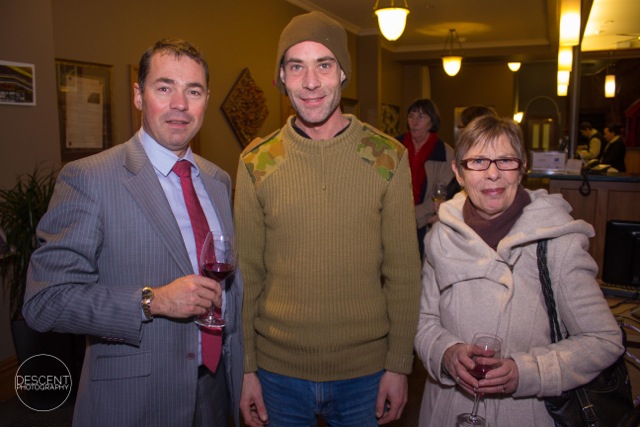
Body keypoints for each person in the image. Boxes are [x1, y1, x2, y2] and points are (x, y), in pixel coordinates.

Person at [22, 39, 244, 426]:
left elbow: (230, 287)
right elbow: (45, 302)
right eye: (164, 88)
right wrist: (153, 301)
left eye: (193, 91)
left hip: (214, 394)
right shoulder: (89, 178)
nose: (180, 103)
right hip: (134, 402)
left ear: (205, 99)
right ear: (139, 96)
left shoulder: (218, 180)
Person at [235, 11, 422, 427]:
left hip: (366, 375)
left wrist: (399, 364)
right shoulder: (256, 162)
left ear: (343, 74)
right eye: (296, 66)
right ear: (281, 77)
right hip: (276, 373)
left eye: (324, 64)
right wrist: (246, 367)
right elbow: (246, 274)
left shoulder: (388, 157)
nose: (311, 82)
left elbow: (404, 272)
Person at [414, 115, 624, 426]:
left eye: (505, 161)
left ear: (522, 167)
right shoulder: (440, 238)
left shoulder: (555, 240)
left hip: (526, 412)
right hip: (448, 410)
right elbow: (424, 321)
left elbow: (603, 339)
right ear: (458, 172)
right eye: (478, 162)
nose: (493, 174)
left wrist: (527, 372)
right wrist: (444, 352)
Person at [395, 99, 455, 259]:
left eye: (421, 117)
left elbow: (443, 192)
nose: (414, 122)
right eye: (411, 116)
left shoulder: (444, 152)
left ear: (432, 121)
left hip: (426, 222)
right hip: (394, 219)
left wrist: (412, 216)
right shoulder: (395, 146)